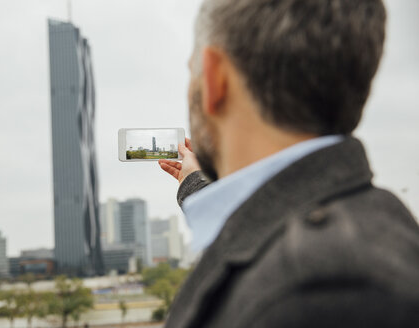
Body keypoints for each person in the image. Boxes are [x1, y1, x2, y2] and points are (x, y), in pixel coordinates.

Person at [158, 0, 419, 327]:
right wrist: (198, 187)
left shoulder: (315, 290)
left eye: (191, 70)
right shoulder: (378, 226)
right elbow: (269, 225)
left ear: (214, 77)